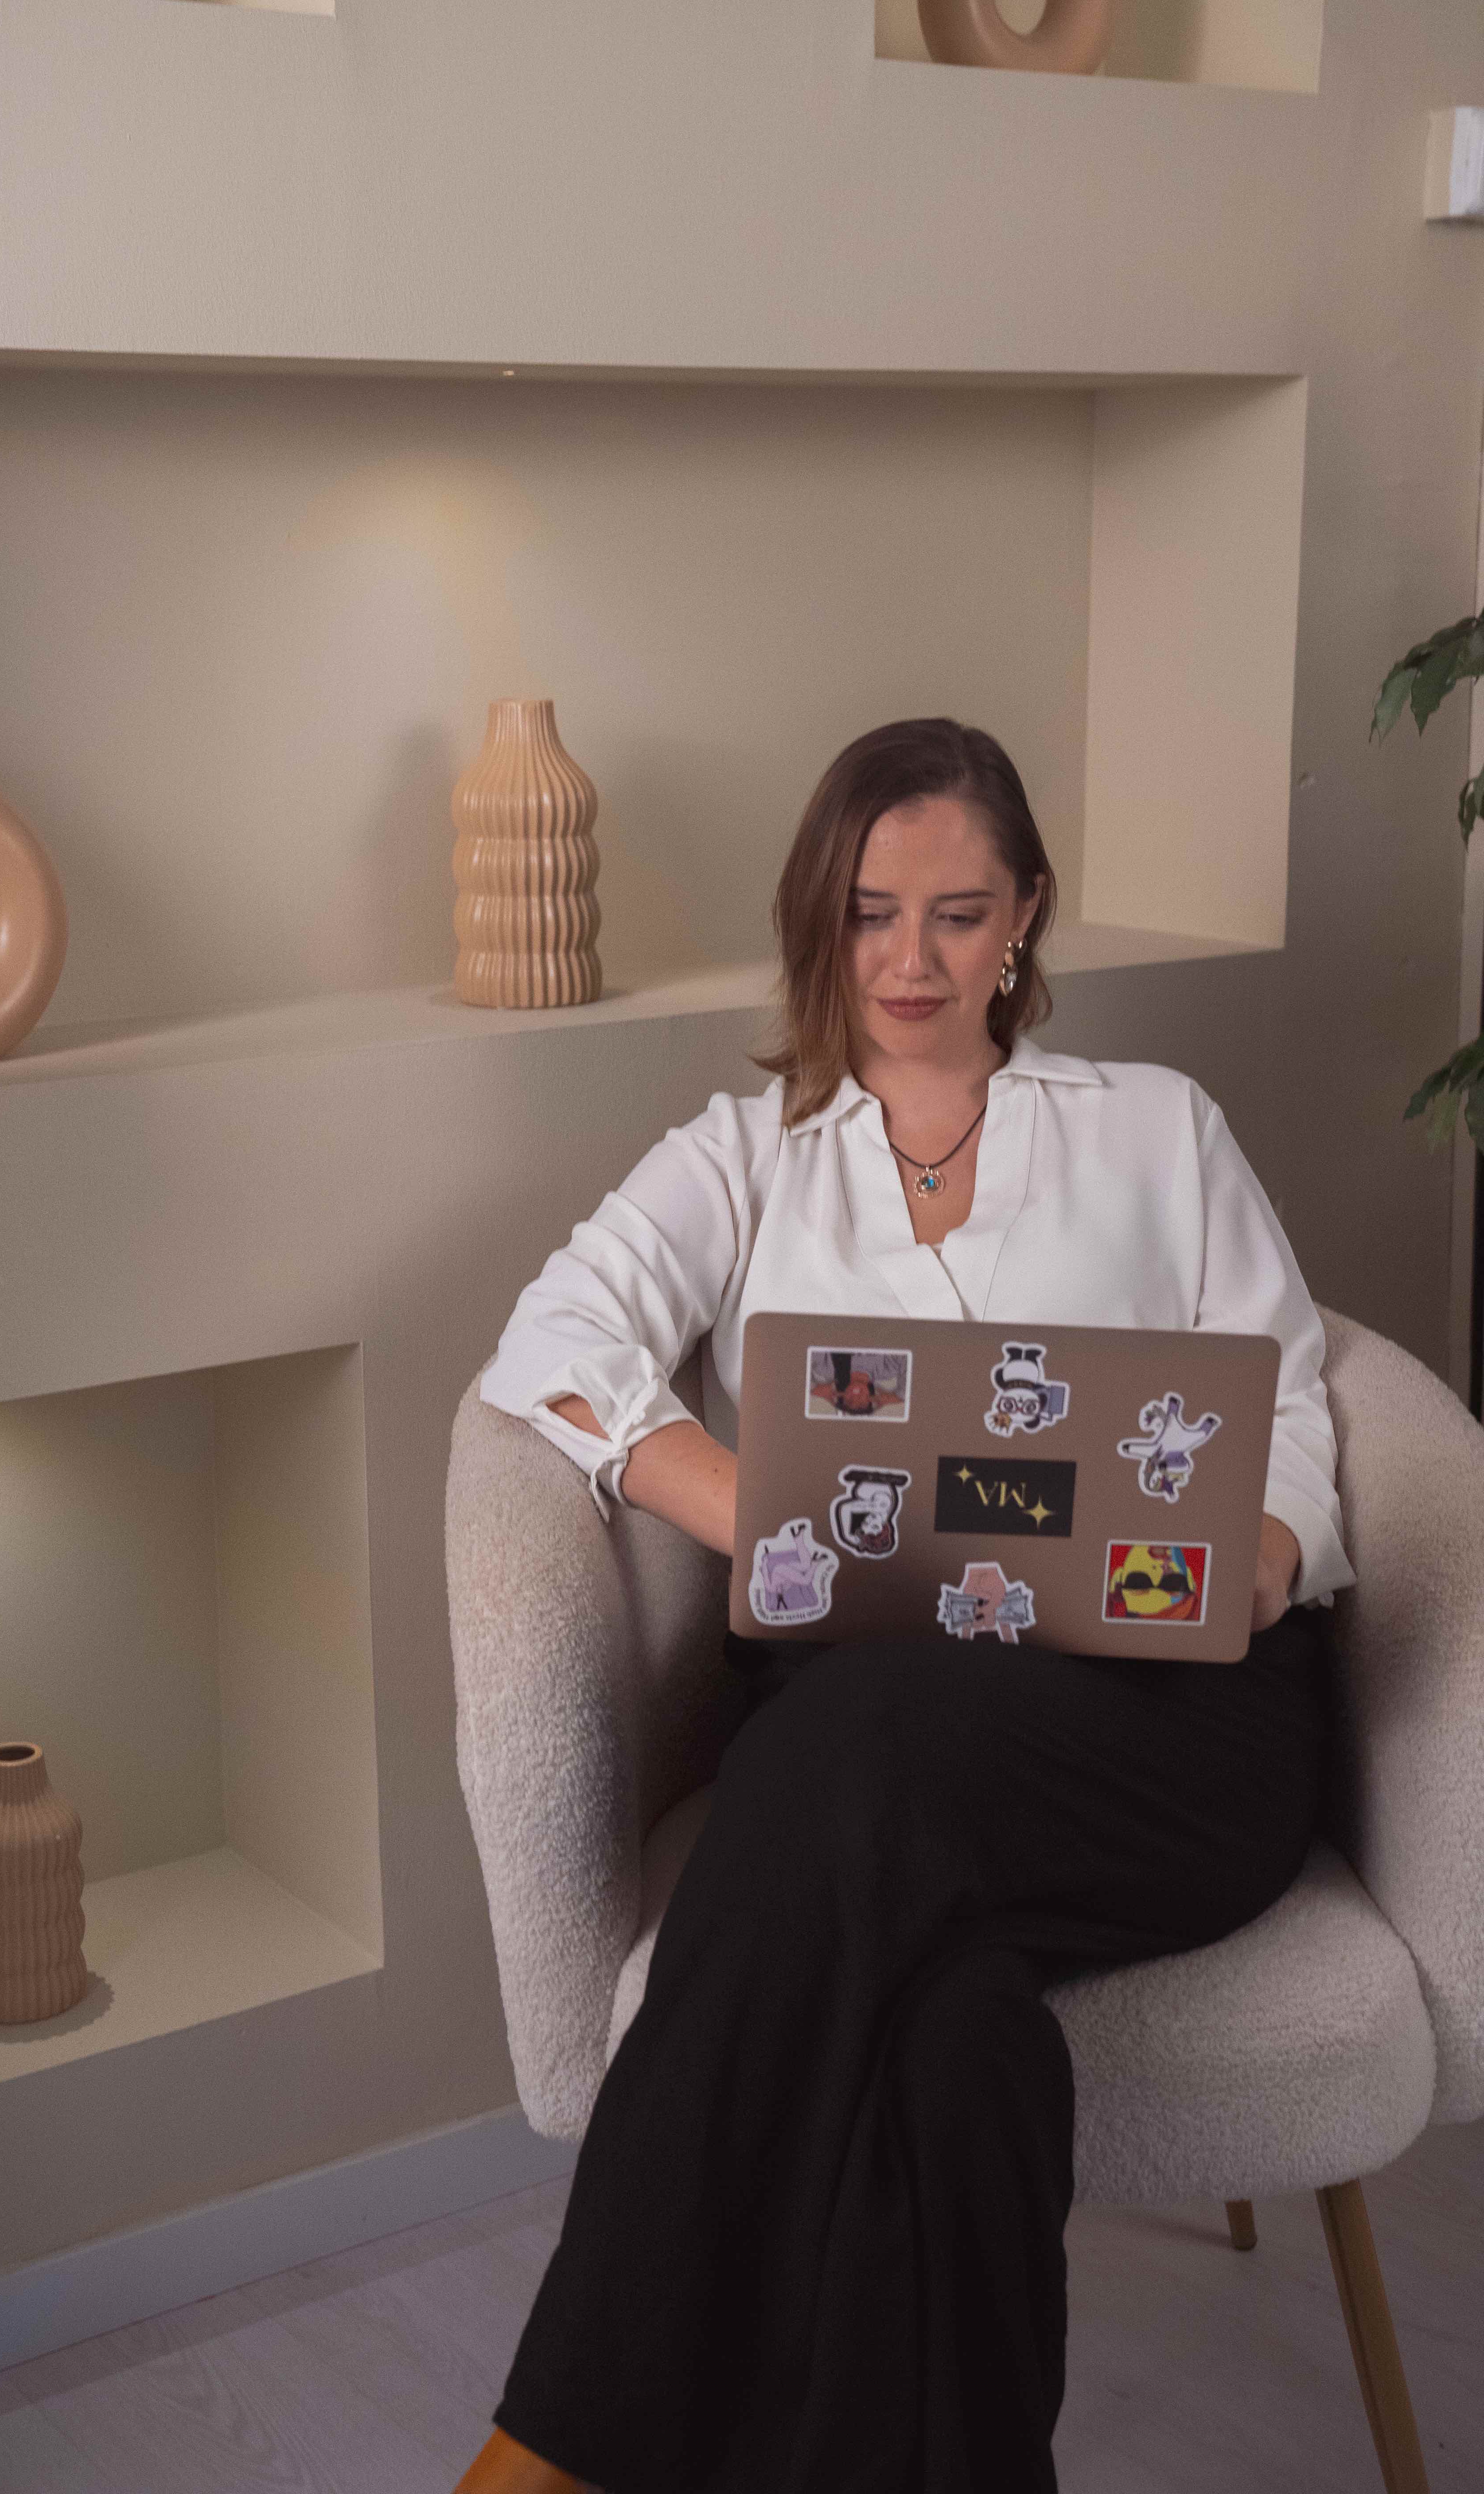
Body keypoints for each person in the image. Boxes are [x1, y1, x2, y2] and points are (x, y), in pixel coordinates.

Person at [455, 718, 1352, 2494]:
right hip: (873, 1730)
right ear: (822, 918)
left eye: (958, 914)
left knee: (851, 1739)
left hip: (1165, 1726)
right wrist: (753, 1506)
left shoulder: (1157, 1129)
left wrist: (1261, 1551)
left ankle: (547, 2452)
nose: (911, 960)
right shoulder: (747, 1155)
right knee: (954, 2053)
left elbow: (1302, 1408)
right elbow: (551, 1342)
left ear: (1024, 917)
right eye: (871, 913)